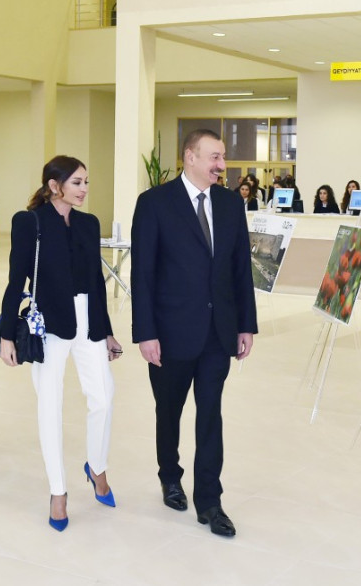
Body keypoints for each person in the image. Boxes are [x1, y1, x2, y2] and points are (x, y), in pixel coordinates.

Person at [131, 129, 257, 538]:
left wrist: (245, 324)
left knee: (210, 416)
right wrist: (145, 333)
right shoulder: (154, 204)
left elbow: (240, 269)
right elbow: (143, 275)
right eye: (214, 157)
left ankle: (210, 500)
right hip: (169, 333)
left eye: (221, 157)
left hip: (217, 333)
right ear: (190, 157)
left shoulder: (229, 203)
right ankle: (170, 475)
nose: (221, 165)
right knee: (168, 412)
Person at [0, 155, 122, 532]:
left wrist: (107, 331)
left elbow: (97, 283)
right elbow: (16, 278)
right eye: (78, 182)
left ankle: (95, 465)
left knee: (103, 395)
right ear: (55, 185)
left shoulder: (88, 223)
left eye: (86, 182)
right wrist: (5, 334)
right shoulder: (29, 222)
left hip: (87, 319)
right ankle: (58, 491)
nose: (85, 189)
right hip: (48, 323)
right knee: (49, 405)